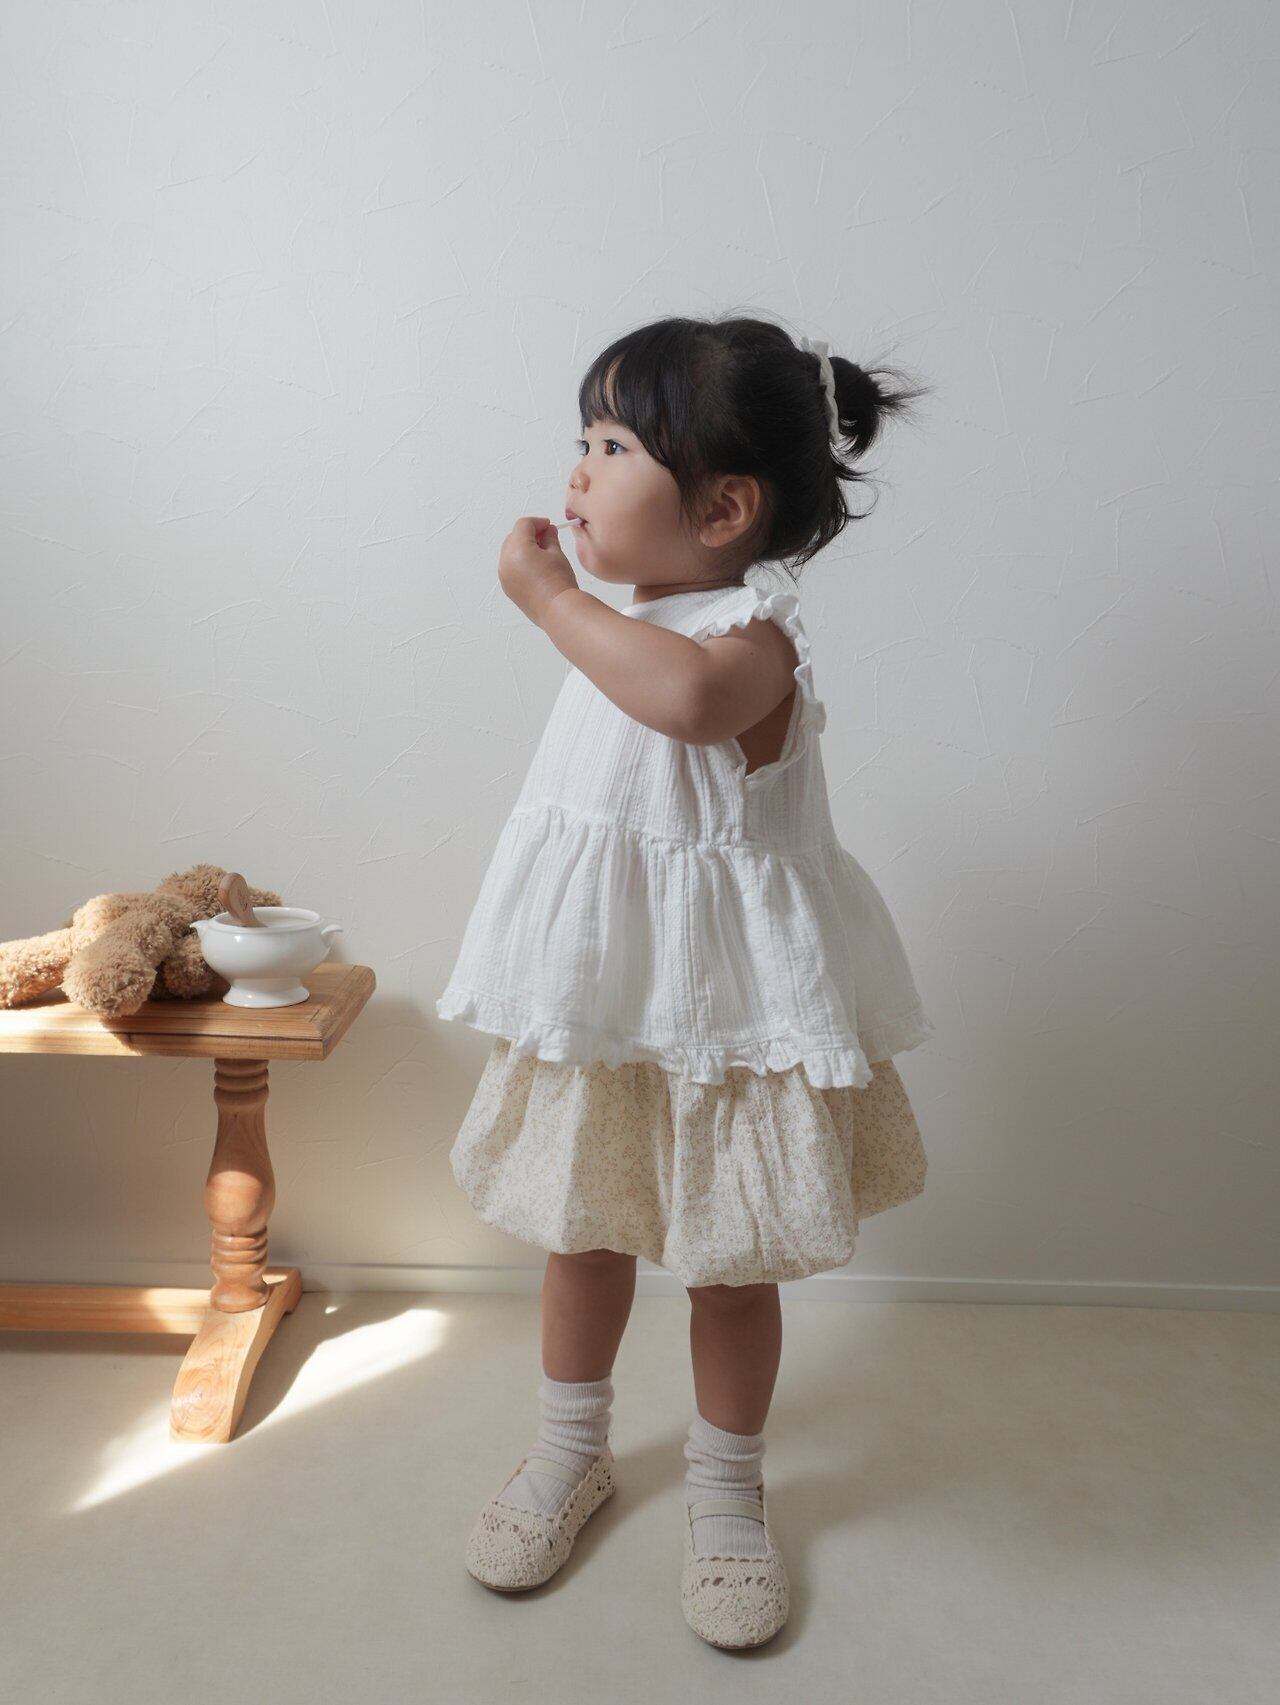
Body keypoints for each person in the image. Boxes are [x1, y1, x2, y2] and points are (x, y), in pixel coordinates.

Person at [436, 313, 934, 1649]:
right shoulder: (631, 623)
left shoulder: (749, 636)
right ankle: (570, 1449)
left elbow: (689, 704)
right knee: (582, 1232)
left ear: (723, 509)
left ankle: (726, 1488)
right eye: (584, 439)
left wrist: (553, 600)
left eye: (615, 445)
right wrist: (581, 608)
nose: (580, 470)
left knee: (727, 1265)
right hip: (612, 1002)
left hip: (727, 1024)